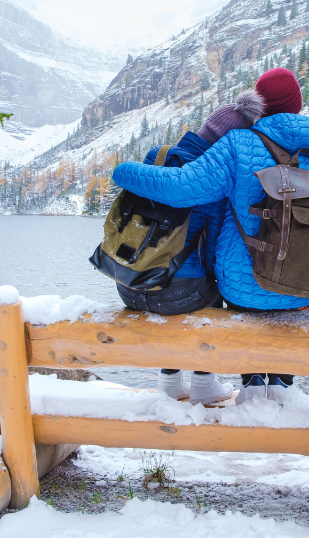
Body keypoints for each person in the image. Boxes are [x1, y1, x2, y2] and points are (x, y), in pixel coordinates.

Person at [111, 68, 309, 404]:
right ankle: (282, 384)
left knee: (236, 276)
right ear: (298, 104)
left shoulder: (239, 145)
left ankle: (250, 384)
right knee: (289, 284)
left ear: (259, 106)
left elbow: (180, 187)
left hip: (245, 289)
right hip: (307, 288)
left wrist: (123, 171)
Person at [117, 92, 264, 405]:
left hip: (126, 284)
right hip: (173, 296)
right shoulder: (215, 178)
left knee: (170, 269)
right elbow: (211, 252)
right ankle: (203, 382)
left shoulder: (158, 155)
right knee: (212, 288)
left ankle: (170, 379)